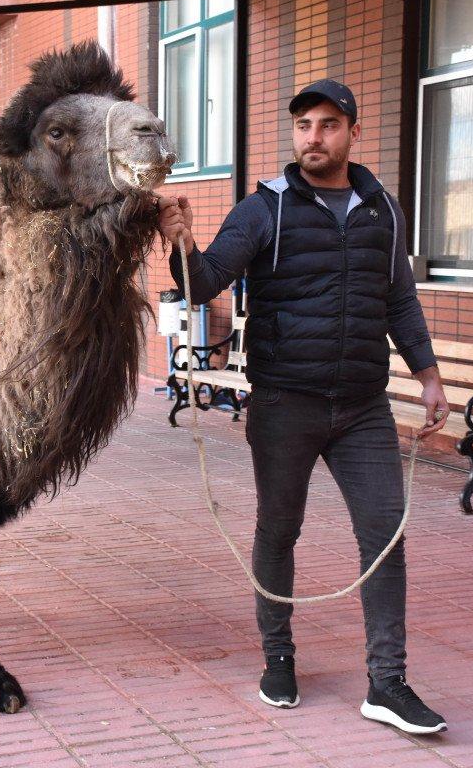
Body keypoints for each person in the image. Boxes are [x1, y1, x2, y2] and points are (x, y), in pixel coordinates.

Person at [160, 80, 450, 735]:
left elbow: (399, 299)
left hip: (363, 408)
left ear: (352, 131)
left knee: (384, 535)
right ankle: (279, 657)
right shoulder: (267, 209)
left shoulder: (384, 211)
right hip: (285, 404)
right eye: (302, 126)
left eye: (326, 125)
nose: (313, 138)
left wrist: (428, 375)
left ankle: (387, 684)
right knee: (278, 533)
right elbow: (205, 282)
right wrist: (178, 241)